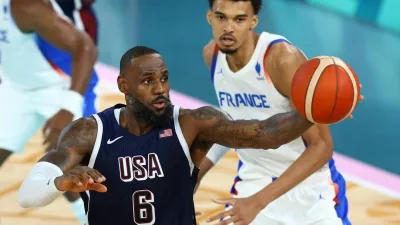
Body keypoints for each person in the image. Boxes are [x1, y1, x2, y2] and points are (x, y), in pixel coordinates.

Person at [16, 46, 339, 225]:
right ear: (124, 86)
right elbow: (27, 195)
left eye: (165, 78)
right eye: (147, 80)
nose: (160, 89)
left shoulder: (191, 124)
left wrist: (314, 110)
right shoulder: (90, 132)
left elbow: (265, 134)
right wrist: (61, 183)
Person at [197, 0, 362, 224]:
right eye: (221, 17)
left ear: (253, 22)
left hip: (309, 188)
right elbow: (231, 124)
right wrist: (193, 176)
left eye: (239, 19)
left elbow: (321, 146)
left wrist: (257, 202)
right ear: (209, 17)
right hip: (254, 180)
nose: (228, 27)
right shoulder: (212, 56)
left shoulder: (281, 59)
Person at [0, 0, 98, 224]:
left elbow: (85, 47)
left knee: (70, 167)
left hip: (62, 86)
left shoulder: (25, 7)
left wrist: (68, 107)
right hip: (16, 87)